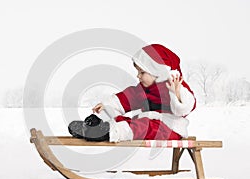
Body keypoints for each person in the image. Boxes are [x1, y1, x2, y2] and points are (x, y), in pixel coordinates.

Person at [68, 44, 196, 142]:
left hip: (170, 128)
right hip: (148, 120)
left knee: (143, 127)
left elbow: (186, 107)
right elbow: (127, 98)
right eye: (138, 72)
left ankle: (105, 132)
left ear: (157, 71)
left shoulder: (174, 85)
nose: (138, 76)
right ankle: (97, 126)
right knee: (127, 121)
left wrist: (177, 95)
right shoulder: (143, 89)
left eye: (142, 72)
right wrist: (106, 105)